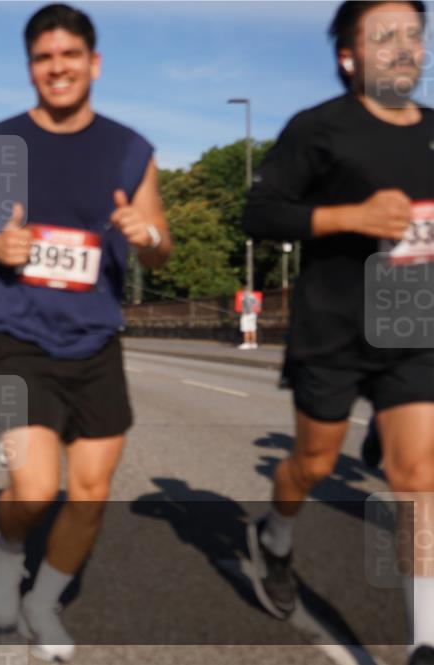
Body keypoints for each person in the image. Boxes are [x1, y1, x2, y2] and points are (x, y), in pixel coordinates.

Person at [0, 5, 170, 660]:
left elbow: (159, 242)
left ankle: (45, 601)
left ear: (93, 63)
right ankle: (8, 548)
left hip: (95, 338)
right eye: (43, 57)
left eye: (70, 55)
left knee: (91, 493)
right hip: (16, 335)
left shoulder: (129, 149)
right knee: (36, 487)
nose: (57, 67)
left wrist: (145, 236)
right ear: (31, 67)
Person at [242, 3, 433, 663]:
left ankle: (424, 639)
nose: (404, 48)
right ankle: (275, 533)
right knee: (314, 463)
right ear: (350, 57)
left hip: (413, 325)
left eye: (414, 34)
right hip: (334, 328)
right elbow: (260, 212)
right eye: (384, 37)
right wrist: (353, 215)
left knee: (419, 474)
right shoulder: (318, 128)